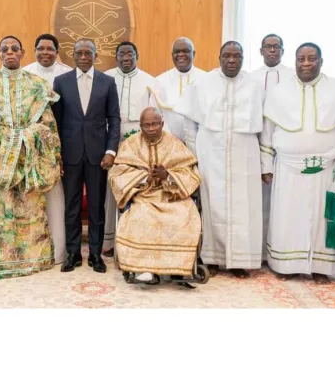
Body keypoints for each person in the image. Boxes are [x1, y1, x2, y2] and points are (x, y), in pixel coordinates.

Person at [260, 42, 335, 284]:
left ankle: (323, 267)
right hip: (288, 168)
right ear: (295, 61)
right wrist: (266, 165)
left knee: (324, 218)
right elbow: (268, 132)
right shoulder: (279, 92)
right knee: (288, 215)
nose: (306, 63)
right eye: (301, 59)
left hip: (328, 169)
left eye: (312, 58)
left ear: (321, 61)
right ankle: (286, 264)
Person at [0, 36, 61, 279]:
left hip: (29, 160)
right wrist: (6, 139)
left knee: (29, 210)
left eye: (15, 49)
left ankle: (34, 260)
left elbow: (48, 124)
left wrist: (29, 138)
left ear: (22, 53)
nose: (10, 52)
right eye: (5, 49)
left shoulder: (37, 85)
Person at [176, 41, 264, 278]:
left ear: (243, 58)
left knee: (242, 206)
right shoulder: (203, 83)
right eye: (227, 56)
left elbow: (264, 128)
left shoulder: (254, 86)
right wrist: (193, 155)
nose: (232, 60)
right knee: (212, 203)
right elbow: (189, 123)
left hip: (243, 154)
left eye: (237, 56)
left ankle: (239, 260)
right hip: (210, 152)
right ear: (219, 57)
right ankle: (212, 258)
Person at [109, 107, 202, 283]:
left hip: (172, 197)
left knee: (184, 216)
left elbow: (191, 173)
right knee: (142, 217)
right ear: (141, 126)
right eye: (147, 125)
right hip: (144, 197)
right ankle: (145, 269)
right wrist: (145, 177)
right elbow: (117, 174)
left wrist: (167, 176)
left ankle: (179, 268)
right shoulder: (131, 144)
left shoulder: (174, 144)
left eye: (155, 124)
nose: (152, 128)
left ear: (162, 124)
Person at [52, 38, 121, 274]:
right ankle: (72, 253)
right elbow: (57, 122)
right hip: (70, 155)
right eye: (79, 53)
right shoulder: (60, 82)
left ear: (95, 55)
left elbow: (114, 119)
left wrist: (111, 151)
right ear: (73, 55)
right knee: (71, 206)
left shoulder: (108, 82)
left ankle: (95, 254)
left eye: (87, 53)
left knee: (96, 207)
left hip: (98, 155)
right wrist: (57, 153)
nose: (83, 57)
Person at [102, 41, 161, 256]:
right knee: (112, 188)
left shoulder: (149, 81)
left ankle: (135, 239)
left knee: (137, 188)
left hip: (140, 141)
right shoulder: (106, 78)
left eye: (130, 54)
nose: (126, 58)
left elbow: (156, 113)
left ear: (137, 55)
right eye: (121, 54)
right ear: (116, 57)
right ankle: (110, 241)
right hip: (111, 139)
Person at [22, 33, 72, 264]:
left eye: (49, 49)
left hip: (63, 140)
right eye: (40, 48)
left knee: (59, 196)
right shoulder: (25, 74)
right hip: (32, 143)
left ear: (56, 51)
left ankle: (61, 250)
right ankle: (35, 249)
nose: (45, 53)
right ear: (33, 51)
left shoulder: (66, 73)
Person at [249, 34, 294, 262]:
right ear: (261, 51)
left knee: (282, 200)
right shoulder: (250, 78)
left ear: (283, 51)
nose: (272, 51)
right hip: (256, 140)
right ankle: (258, 251)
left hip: (284, 140)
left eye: (277, 47)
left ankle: (279, 250)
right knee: (259, 199)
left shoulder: (293, 77)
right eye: (268, 47)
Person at [154, 37, 207, 140]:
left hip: (199, 142)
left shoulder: (206, 79)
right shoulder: (160, 81)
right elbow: (155, 113)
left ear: (194, 53)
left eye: (186, 51)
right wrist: (168, 137)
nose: (181, 54)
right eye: (177, 52)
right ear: (172, 55)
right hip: (168, 141)